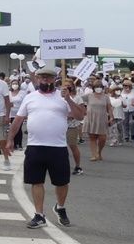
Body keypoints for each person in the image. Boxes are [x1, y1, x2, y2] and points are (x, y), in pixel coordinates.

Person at [7, 66, 86, 228]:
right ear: (37, 79)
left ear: (54, 79)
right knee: (36, 181)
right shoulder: (30, 97)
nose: (45, 79)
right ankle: (39, 214)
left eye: (48, 77)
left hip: (57, 146)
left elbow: (80, 116)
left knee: (62, 182)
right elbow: (18, 120)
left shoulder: (63, 97)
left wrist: (69, 99)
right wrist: (10, 139)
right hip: (35, 146)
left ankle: (60, 207)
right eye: (42, 77)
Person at [83, 79, 113, 162]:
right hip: (91, 119)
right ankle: (94, 155)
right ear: (93, 87)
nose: (98, 88)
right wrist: (83, 111)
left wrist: (111, 117)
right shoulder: (89, 96)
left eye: (100, 86)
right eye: (96, 86)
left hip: (102, 119)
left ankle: (99, 152)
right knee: (92, 137)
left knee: (102, 138)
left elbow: (109, 108)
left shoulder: (106, 97)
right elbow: (78, 101)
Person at [60, 81, 85, 175]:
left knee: (72, 145)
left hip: (72, 126)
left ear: (73, 87)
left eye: (69, 86)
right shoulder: (59, 97)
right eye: (65, 86)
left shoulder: (77, 98)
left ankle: (78, 166)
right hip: (59, 125)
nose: (67, 87)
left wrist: (71, 113)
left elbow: (82, 112)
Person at [9, 78, 27, 150]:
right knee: (12, 128)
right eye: (13, 84)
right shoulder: (9, 93)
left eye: (16, 84)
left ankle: (19, 144)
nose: (15, 85)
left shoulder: (22, 93)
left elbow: (25, 103)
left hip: (20, 113)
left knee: (18, 128)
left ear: (18, 85)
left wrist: (25, 114)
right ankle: (14, 144)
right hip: (11, 113)